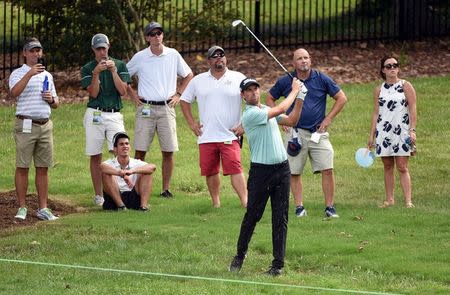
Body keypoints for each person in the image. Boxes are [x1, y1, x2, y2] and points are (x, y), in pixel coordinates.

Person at [229, 77, 304, 276]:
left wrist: (300, 100)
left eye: (256, 89)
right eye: (249, 90)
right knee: (253, 215)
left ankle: (277, 265)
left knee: (281, 218)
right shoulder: (251, 114)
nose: (253, 92)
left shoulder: (264, 110)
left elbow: (291, 119)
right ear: (243, 95)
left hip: (282, 170)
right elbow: (280, 110)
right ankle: (240, 254)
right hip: (261, 172)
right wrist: (295, 90)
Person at [266, 48, 347, 218]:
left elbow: (341, 98)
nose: (304, 61)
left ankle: (330, 207)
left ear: (310, 60)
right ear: (293, 63)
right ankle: (299, 208)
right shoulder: (286, 81)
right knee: (294, 172)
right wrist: (281, 118)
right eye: (300, 59)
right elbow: (269, 98)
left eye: (306, 58)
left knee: (327, 169)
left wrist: (328, 119)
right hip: (295, 132)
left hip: (318, 132)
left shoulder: (321, 78)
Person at [126, 21, 193, 198]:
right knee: (140, 149)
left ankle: (165, 189)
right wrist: (132, 95)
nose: (157, 37)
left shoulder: (173, 54)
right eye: (153, 34)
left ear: (162, 35)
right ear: (147, 38)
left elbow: (188, 74)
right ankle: (136, 187)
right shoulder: (140, 57)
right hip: (145, 107)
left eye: (159, 33)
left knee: (168, 150)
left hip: (166, 107)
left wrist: (178, 94)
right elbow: (123, 76)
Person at [180, 46, 247, 208]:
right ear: (209, 61)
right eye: (215, 56)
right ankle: (216, 203)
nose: (219, 58)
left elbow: (253, 101)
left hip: (230, 135)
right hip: (206, 135)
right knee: (210, 170)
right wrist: (191, 123)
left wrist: (244, 124)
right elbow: (184, 100)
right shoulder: (198, 80)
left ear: (226, 59)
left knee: (235, 168)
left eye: (222, 55)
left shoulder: (239, 78)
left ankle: (246, 202)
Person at [9, 37, 60, 221]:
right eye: (31, 50)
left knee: (43, 168)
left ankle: (43, 208)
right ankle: (22, 207)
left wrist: (51, 99)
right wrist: (29, 74)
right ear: (24, 53)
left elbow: (56, 103)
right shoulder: (18, 73)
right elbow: (13, 93)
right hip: (26, 124)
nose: (35, 54)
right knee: (22, 166)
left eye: (38, 50)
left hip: (45, 125)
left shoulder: (47, 75)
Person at [81, 33, 131, 206]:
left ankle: (118, 190)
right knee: (95, 155)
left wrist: (113, 71)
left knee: (118, 152)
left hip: (114, 113)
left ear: (109, 47)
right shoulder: (88, 68)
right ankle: (98, 194)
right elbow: (93, 93)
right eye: (98, 49)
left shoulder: (119, 64)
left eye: (104, 48)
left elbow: (123, 91)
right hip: (95, 112)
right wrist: (96, 73)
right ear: (93, 50)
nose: (102, 52)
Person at [368, 56, 417, 208]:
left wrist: (412, 130)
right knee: (388, 166)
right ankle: (390, 199)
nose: (392, 68)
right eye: (388, 66)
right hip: (384, 132)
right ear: (383, 70)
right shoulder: (379, 90)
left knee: (402, 166)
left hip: (402, 131)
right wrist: (372, 134)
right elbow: (376, 112)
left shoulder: (405, 85)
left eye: (395, 65)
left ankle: (408, 201)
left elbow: (413, 108)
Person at [100, 132, 156, 211]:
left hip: (132, 195)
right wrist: (121, 173)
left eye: (127, 144)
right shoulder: (109, 163)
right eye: (121, 144)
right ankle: (121, 206)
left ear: (130, 147)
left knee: (147, 172)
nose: (125, 146)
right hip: (114, 198)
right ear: (115, 149)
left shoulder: (136, 162)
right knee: (106, 173)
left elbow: (152, 167)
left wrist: (132, 171)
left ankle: (143, 207)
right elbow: (102, 167)